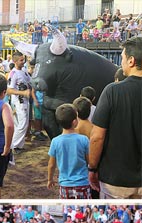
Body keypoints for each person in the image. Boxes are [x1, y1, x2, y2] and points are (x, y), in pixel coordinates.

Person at [89, 36, 142, 199]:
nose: (122, 62)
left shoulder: (112, 91)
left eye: (123, 58)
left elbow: (97, 137)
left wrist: (92, 168)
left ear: (131, 61)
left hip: (115, 182)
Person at [47, 103, 91, 199]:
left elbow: (51, 165)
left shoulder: (55, 141)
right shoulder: (84, 140)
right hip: (82, 182)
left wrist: (50, 179)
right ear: (75, 122)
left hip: (65, 184)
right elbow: (89, 161)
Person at [7, 51, 31, 154]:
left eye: (23, 60)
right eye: (21, 60)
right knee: (22, 123)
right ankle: (14, 145)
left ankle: (19, 145)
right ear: (15, 61)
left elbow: (30, 81)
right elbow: (9, 90)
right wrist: (23, 92)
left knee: (22, 123)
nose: (23, 62)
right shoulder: (13, 73)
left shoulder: (24, 71)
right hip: (18, 102)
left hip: (25, 100)